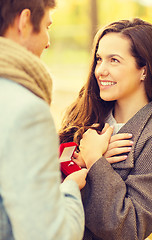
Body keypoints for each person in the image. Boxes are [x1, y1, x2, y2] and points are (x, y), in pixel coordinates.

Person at [59, 18, 152, 240]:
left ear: (144, 69)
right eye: (99, 59)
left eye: (114, 60)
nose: (100, 71)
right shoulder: (84, 114)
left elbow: (129, 228)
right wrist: (79, 162)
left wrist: (95, 160)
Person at [0, 1, 92, 240]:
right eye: (46, 26)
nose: (48, 41)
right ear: (24, 21)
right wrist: (70, 188)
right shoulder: (27, 112)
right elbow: (50, 235)